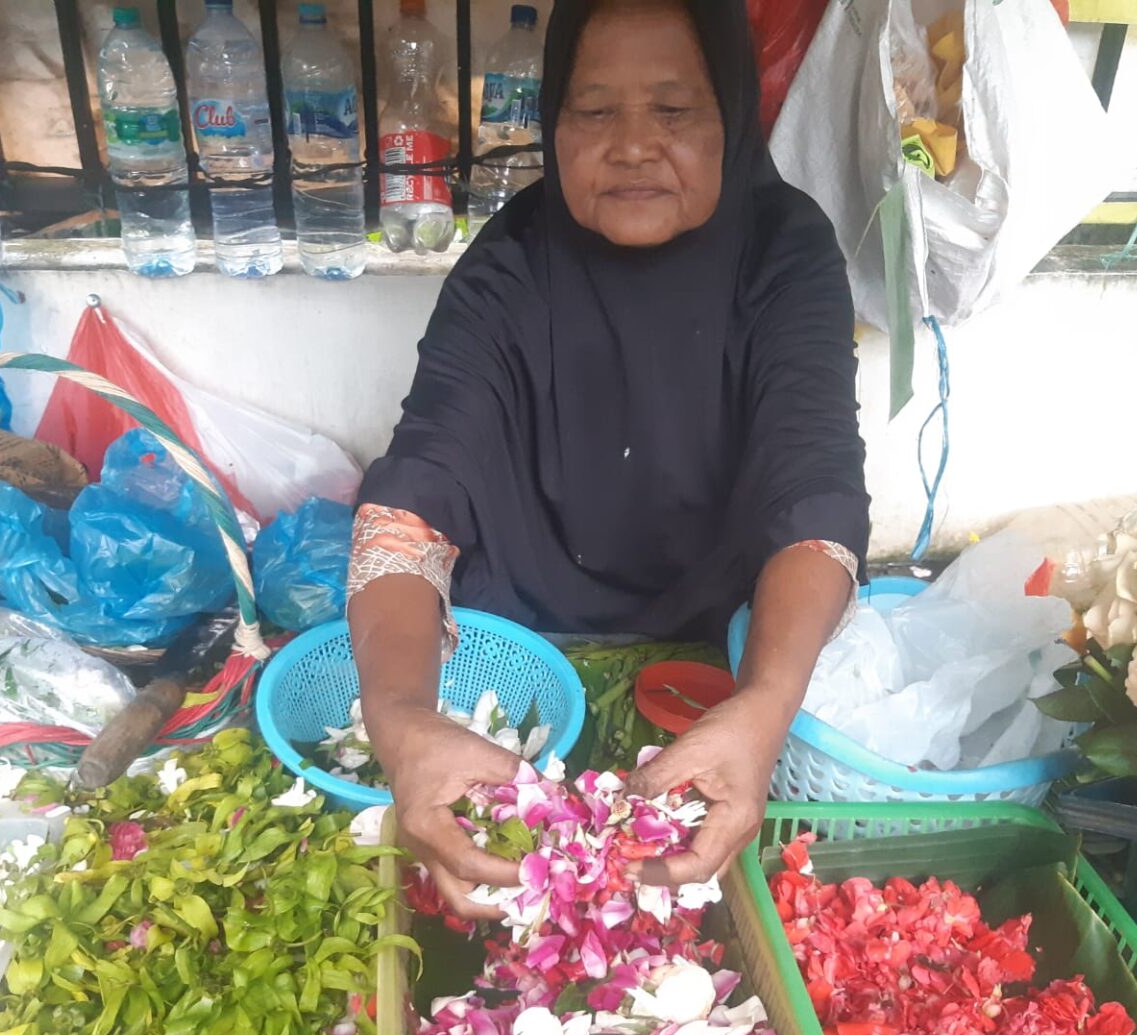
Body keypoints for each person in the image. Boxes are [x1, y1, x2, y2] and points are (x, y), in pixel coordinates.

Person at [347, 0, 869, 919]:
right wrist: (400, 720)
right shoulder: (511, 261)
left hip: (716, 662)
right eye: (592, 111)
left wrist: (766, 704)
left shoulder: (785, 253)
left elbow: (815, 487)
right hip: (516, 661)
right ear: (552, 120)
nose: (631, 145)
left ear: (732, 117)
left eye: (673, 109)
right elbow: (417, 489)